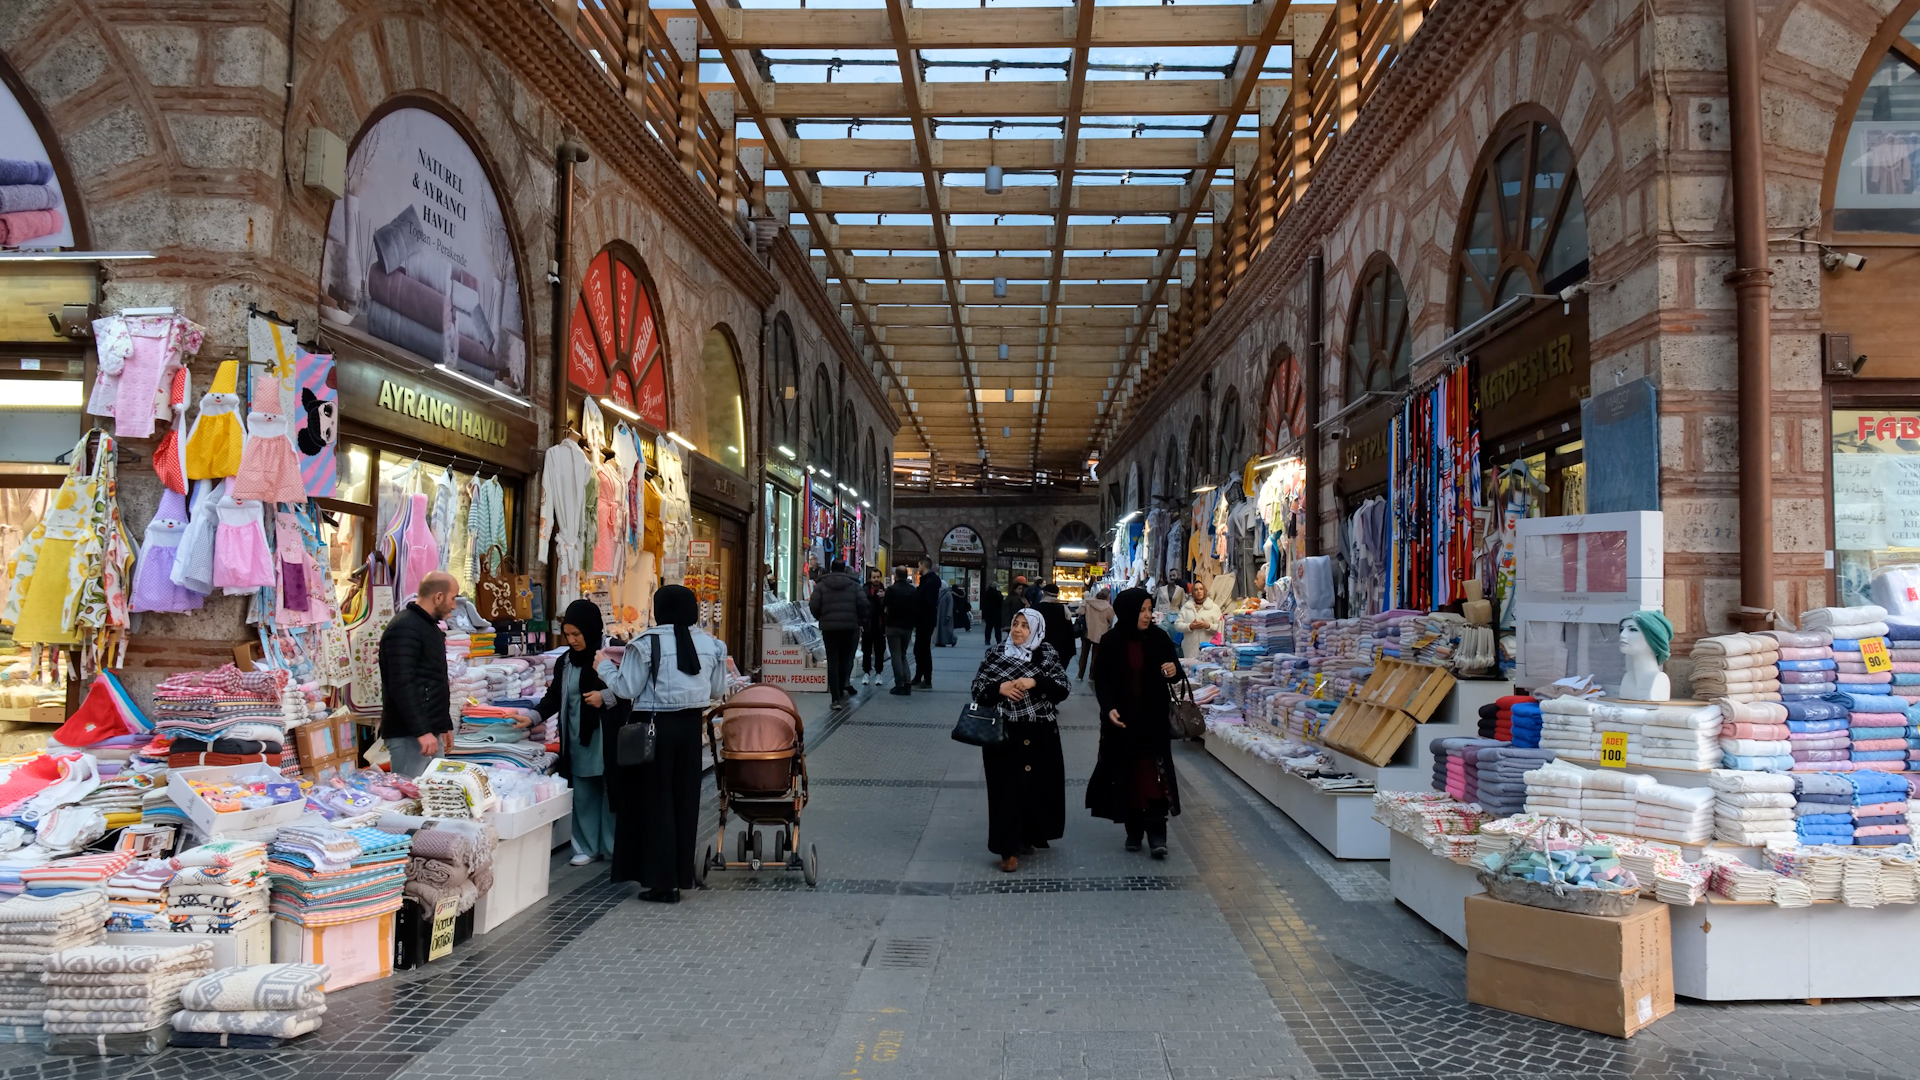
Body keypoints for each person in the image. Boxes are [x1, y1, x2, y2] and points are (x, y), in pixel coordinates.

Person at [596, 585, 729, 903]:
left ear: (659, 609)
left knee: (654, 803)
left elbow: (627, 689)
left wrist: (602, 665)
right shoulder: (711, 645)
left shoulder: (644, 644)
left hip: (653, 729)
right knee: (684, 801)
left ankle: (660, 881)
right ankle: (681, 874)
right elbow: (717, 689)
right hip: (689, 731)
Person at [970, 608, 1069, 873]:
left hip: (1040, 732)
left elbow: (1062, 689)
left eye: (1025, 626)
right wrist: (999, 688)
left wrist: (1034, 681)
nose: (1017, 630)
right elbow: (978, 689)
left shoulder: (1046, 654)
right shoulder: (995, 654)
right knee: (1005, 792)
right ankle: (1007, 849)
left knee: (1035, 788)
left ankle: (1027, 837)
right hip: (1003, 733)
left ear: (1036, 630)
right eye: (1015, 623)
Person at [1088, 588, 1183, 858]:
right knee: (1127, 777)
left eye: (1149, 610)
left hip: (1153, 723)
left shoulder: (1159, 638)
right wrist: (1108, 709)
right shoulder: (1111, 641)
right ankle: (1133, 830)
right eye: (1142, 610)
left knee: (1154, 777)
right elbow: (1101, 680)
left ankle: (1157, 833)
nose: (1147, 615)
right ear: (1128, 611)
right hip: (1123, 725)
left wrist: (1174, 670)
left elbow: (1175, 670)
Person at [539, 599, 620, 866]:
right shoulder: (566, 662)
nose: (572, 640)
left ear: (591, 629)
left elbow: (632, 690)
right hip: (577, 737)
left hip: (606, 735)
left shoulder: (612, 655)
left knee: (611, 792)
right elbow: (553, 697)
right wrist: (530, 717)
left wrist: (604, 697)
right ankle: (586, 845)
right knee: (584, 792)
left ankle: (614, 846)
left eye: (577, 634)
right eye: (568, 635)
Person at [379, 571, 457, 778]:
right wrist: (421, 731)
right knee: (408, 799)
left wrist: (444, 725)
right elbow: (402, 684)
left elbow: (434, 679)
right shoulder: (404, 627)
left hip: (427, 732)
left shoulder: (428, 628)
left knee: (434, 797)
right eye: (453, 598)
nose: (454, 605)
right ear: (438, 597)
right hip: (410, 734)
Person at [809, 558, 868, 705]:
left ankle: (835, 697)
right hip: (850, 628)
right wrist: (859, 620)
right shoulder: (854, 585)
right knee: (846, 660)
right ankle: (842, 689)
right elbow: (864, 605)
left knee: (833, 661)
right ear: (844, 569)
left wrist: (822, 618)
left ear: (831, 568)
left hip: (830, 629)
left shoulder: (821, 585)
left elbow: (814, 605)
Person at [884, 567, 920, 696]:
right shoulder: (912, 590)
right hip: (907, 627)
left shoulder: (891, 590)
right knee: (903, 654)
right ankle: (907, 682)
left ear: (896, 576)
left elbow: (884, 604)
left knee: (896, 655)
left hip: (893, 625)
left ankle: (899, 684)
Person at [1174, 577, 1223, 660]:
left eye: (1201, 589)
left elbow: (1221, 628)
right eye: (1196, 589)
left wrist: (1208, 626)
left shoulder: (1214, 608)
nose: (1199, 591)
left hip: (1209, 651)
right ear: (1193, 592)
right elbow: (1177, 625)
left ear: (1205, 591)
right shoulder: (1186, 608)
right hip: (1190, 650)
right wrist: (1190, 626)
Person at [1035, 583, 1076, 670]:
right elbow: (1069, 631)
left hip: (1040, 649)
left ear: (1045, 593)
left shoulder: (1036, 609)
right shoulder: (1063, 609)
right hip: (1061, 649)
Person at [1079, 586, 1115, 682]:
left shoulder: (1088, 602)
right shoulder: (1108, 607)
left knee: (1084, 654)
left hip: (1087, 631)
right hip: (1100, 633)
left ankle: (1080, 675)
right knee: (1096, 656)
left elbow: (1080, 611)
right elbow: (1111, 620)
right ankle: (1092, 676)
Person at [860, 568, 888, 685]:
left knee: (879, 651)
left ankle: (878, 673)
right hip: (868, 625)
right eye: (874, 577)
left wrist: (884, 598)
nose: (876, 579)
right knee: (866, 650)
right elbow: (861, 607)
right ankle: (866, 672)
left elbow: (887, 609)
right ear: (870, 578)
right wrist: (861, 623)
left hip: (880, 626)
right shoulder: (864, 591)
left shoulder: (885, 592)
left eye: (878, 577)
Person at [914, 561, 940, 687]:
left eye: (919, 565)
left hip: (925, 620)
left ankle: (926, 678)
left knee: (923, 649)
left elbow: (927, 603)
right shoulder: (928, 580)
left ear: (924, 565)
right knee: (920, 649)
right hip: (925, 619)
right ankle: (919, 676)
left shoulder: (929, 582)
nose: (918, 568)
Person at [980, 583, 1005, 648]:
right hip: (996, 613)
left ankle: (987, 640)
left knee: (988, 627)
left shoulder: (986, 593)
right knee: (997, 628)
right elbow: (1001, 601)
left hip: (988, 613)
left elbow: (983, 603)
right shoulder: (998, 594)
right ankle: (998, 640)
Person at [935, 577, 956, 647]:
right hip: (940, 614)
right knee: (941, 629)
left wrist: (948, 615)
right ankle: (940, 641)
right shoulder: (939, 593)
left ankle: (953, 639)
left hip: (945, 614)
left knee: (947, 630)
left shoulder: (948, 593)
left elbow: (950, 605)